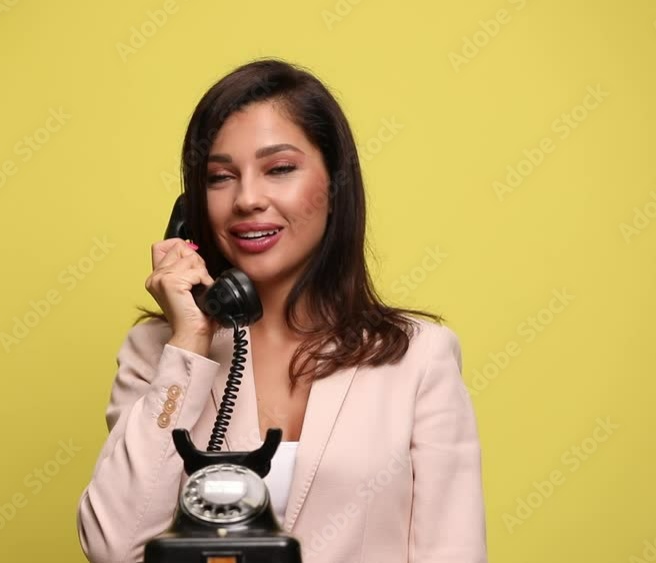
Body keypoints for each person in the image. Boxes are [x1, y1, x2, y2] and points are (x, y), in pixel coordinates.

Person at [76, 58, 487, 563]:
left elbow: (452, 551)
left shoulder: (419, 357)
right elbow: (114, 547)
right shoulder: (159, 352)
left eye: (280, 169)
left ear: (335, 186)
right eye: (220, 177)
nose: (247, 199)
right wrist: (189, 343)